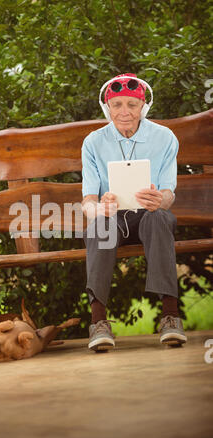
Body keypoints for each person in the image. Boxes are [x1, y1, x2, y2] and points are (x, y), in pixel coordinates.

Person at [81, 72, 187, 352]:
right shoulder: (93, 142)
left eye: (132, 105)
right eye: (117, 105)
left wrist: (159, 200)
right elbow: (87, 203)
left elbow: (168, 194)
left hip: (148, 216)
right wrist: (99, 209)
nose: (124, 112)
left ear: (144, 107)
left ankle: (170, 316)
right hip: (112, 218)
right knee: (98, 225)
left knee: (158, 217)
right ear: (107, 108)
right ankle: (99, 322)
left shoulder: (164, 138)